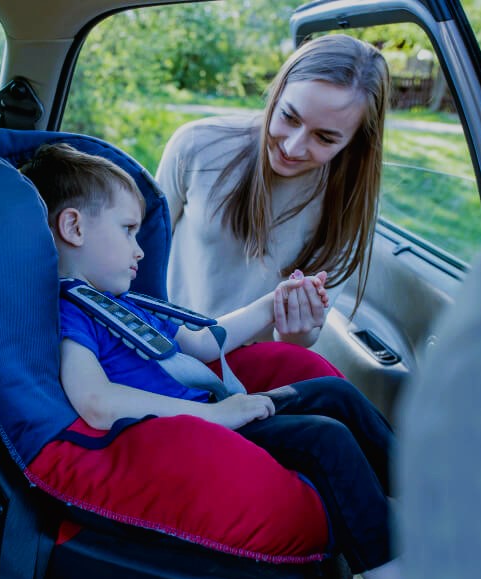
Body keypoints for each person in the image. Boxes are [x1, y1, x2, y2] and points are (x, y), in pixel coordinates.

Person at [20, 142, 410, 579]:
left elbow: (205, 342)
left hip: (221, 414)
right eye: (127, 231)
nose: (140, 250)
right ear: (73, 228)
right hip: (197, 433)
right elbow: (95, 401)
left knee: (334, 393)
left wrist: (272, 303)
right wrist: (215, 415)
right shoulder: (74, 313)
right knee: (325, 438)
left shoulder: (123, 305)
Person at [156, 33, 390, 354]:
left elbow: (299, 341)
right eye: (289, 117)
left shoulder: (349, 202)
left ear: (354, 143)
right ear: (276, 95)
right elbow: (138, 254)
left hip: (252, 373)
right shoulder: (196, 145)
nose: (292, 147)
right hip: (166, 347)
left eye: (324, 138)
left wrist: (298, 328)